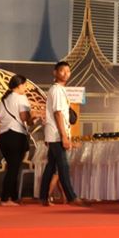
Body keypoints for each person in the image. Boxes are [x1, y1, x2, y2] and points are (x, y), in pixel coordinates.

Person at [40, 61, 83, 207]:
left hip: (55, 133)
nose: (66, 74)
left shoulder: (60, 90)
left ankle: (43, 197)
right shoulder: (57, 90)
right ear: (55, 73)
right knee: (63, 166)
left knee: (51, 166)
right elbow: (58, 113)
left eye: (68, 71)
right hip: (57, 134)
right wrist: (64, 137)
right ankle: (72, 197)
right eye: (62, 71)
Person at [0, 74, 35, 205]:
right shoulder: (21, 98)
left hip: (3, 136)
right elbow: (24, 118)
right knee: (13, 168)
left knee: (12, 167)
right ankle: (5, 198)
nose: (26, 88)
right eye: (25, 85)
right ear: (19, 85)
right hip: (16, 135)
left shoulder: (3, 99)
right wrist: (33, 116)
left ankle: (12, 197)